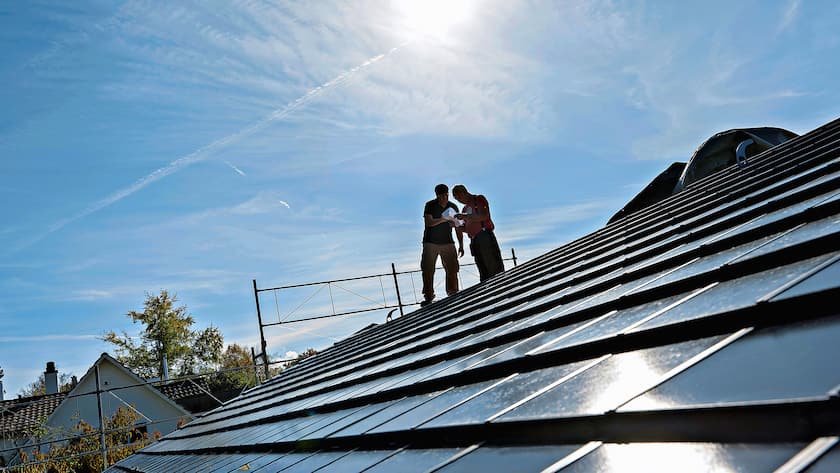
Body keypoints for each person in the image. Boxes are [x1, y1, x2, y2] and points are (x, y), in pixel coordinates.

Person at [421, 184, 464, 306]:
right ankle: (428, 295)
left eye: (446, 195)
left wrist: (461, 244)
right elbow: (429, 222)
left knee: (452, 268)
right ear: (437, 196)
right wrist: (444, 219)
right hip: (430, 242)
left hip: (448, 242)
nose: (444, 197)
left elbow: (458, 226)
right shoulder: (430, 205)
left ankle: (453, 292)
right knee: (428, 268)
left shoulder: (453, 206)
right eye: (442, 195)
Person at [453, 184, 504, 281]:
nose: (459, 200)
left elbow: (484, 216)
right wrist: (456, 225)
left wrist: (464, 216)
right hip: (474, 240)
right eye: (456, 199)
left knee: (494, 268)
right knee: (483, 271)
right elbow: (467, 228)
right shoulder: (464, 209)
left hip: (485, 236)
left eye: (459, 197)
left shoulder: (479, 199)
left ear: (464, 192)